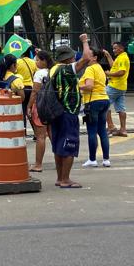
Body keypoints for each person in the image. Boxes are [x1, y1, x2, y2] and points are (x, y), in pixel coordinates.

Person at [47, 34, 92, 189]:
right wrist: (85, 41)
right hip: (68, 111)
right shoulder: (67, 70)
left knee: (58, 146)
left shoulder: (53, 70)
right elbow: (86, 58)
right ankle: (66, 179)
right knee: (69, 146)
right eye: (73, 57)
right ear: (68, 58)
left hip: (55, 112)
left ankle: (60, 178)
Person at [79, 45, 111, 168]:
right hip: (104, 100)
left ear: (95, 58)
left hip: (93, 102)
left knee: (92, 131)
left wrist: (77, 86)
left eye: (89, 55)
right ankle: (106, 159)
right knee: (102, 130)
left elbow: (89, 86)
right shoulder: (100, 68)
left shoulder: (90, 69)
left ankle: (92, 159)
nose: (86, 57)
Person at [28, 49, 53, 172]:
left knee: (41, 137)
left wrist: (29, 106)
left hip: (40, 106)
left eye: (37, 60)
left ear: (44, 61)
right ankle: (60, 160)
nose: (35, 62)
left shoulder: (39, 73)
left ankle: (38, 164)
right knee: (54, 135)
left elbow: (34, 92)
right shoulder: (54, 71)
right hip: (53, 106)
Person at [104, 41, 130, 137]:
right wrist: (108, 55)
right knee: (121, 108)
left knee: (104, 104)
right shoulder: (121, 57)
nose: (113, 50)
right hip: (121, 87)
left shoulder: (123, 58)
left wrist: (109, 74)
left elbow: (121, 72)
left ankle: (111, 127)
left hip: (114, 86)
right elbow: (114, 66)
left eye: (115, 48)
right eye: (113, 48)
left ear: (121, 49)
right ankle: (123, 130)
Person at [14, 50, 37, 130]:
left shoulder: (17, 62)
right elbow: (35, 74)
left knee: (22, 111)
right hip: (31, 88)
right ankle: (36, 132)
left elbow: (14, 73)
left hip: (21, 88)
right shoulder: (33, 62)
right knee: (30, 109)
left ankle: (23, 132)